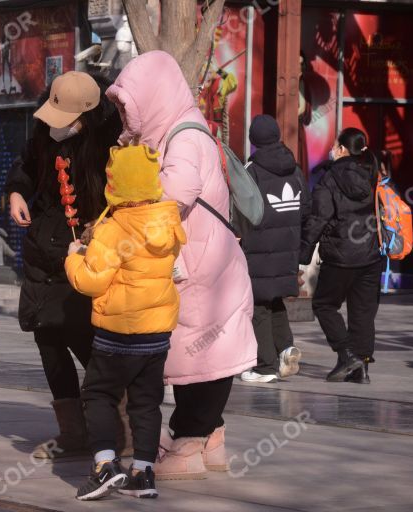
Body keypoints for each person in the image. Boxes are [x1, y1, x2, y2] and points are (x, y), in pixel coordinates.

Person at [106, 50, 257, 480]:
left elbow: (176, 191)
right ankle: (207, 437)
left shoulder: (185, 136)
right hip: (200, 260)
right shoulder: (168, 134)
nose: (123, 113)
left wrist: (129, 202)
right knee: (198, 352)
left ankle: (191, 439)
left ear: (154, 96)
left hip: (203, 266)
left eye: (128, 104)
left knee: (202, 352)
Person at [5, 71, 124, 458]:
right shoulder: (43, 134)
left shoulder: (111, 142)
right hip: (44, 252)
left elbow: (127, 195)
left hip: (90, 256)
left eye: (67, 119)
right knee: (49, 341)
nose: (56, 127)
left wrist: (102, 225)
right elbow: (24, 167)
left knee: (91, 343)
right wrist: (17, 192)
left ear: (87, 116)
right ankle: (72, 433)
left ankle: (114, 428)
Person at [65, 144, 186, 501]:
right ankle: (144, 472)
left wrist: (73, 260)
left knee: (99, 394)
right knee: (146, 403)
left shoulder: (114, 229)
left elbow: (91, 281)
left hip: (118, 334)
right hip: (157, 334)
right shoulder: (168, 223)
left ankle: (105, 464)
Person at [300, 128, 382, 384]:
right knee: (363, 312)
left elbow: (318, 218)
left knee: (324, 305)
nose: (332, 149)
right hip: (371, 254)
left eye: (336, 145)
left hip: (341, 255)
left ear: (343, 149)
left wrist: (303, 252)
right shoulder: (373, 173)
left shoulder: (331, 178)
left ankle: (347, 355)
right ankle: (362, 368)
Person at [239, 115, 310, 383]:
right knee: (275, 299)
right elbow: (306, 208)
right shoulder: (295, 169)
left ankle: (265, 366)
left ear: (253, 139)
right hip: (288, 249)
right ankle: (286, 349)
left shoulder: (252, 169)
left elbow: (242, 211)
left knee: (258, 304)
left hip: (258, 249)